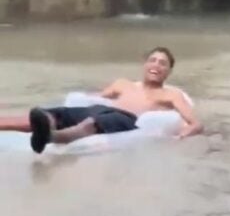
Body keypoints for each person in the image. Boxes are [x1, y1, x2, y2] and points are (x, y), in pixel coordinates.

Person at [0, 47, 203, 154]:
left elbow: (195, 123)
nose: (156, 65)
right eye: (153, 60)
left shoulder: (170, 95)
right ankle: (43, 125)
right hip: (98, 109)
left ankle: (53, 138)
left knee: (91, 124)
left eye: (163, 63)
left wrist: (180, 137)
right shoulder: (122, 84)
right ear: (144, 64)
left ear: (168, 71)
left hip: (126, 119)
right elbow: (96, 98)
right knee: (52, 114)